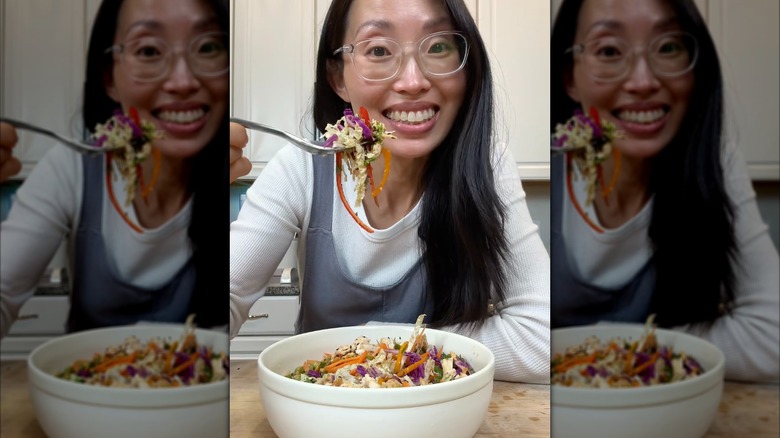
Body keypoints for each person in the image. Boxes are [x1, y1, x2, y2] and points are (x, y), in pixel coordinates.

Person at [229, 0, 550, 383]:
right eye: (379, 50)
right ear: (338, 78)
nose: (413, 81)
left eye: (438, 46)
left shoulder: (487, 167)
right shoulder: (301, 167)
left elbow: (544, 339)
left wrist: (384, 351)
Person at [550, 0, 779, 382]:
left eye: (669, 46)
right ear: (569, 78)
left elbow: (772, 335)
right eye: (609, 51)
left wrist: (612, 350)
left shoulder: (714, 162)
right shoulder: (551, 162)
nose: (643, 81)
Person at [0, 0, 236, 338]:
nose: (183, 81)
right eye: (150, 51)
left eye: (209, 46)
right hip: (86, 389)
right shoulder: (73, 168)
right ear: (110, 77)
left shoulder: (231, 174)